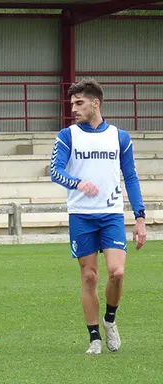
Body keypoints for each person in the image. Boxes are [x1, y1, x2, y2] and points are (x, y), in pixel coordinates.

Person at [49, 78, 146, 355]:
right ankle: (94, 337)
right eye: (72, 104)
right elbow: (55, 170)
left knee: (117, 272)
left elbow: (131, 177)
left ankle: (110, 321)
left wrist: (140, 218)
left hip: (112, 214)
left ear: (96, 103)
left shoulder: (119, 137)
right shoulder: (67, 136)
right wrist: (77, 183)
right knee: (89, 276)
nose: (74, 109)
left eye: (79, 103)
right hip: (81, 215)